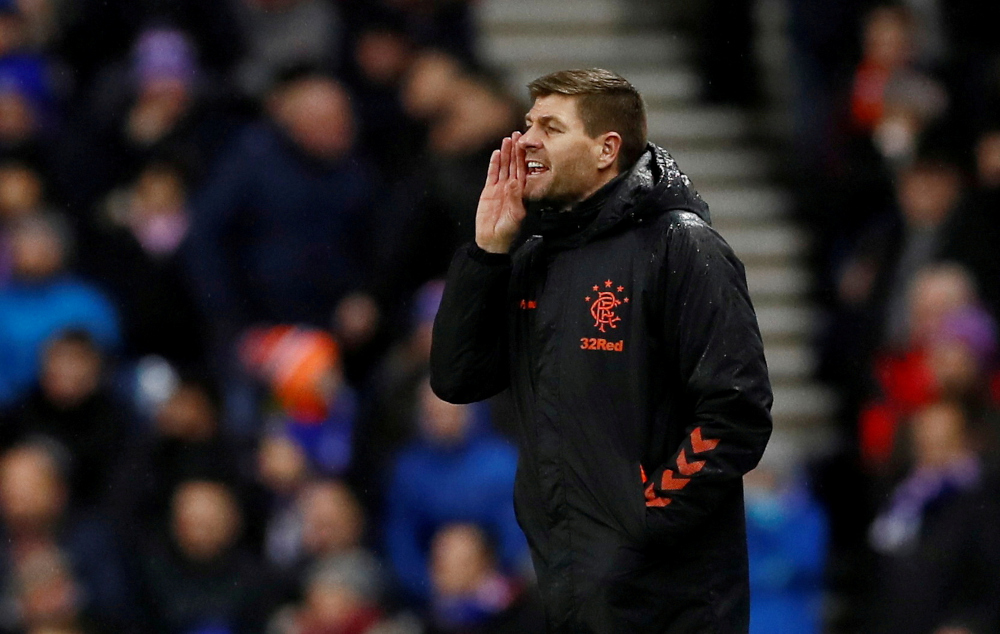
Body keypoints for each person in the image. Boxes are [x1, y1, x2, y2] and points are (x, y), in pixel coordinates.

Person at [430, 69, 773, 632]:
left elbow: (736, 414)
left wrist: (640, 521)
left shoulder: (681, 246)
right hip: (571, 585)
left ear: (605, 149)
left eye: (551, 127)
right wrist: (487, 253)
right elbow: (457, 378)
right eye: (527, 124)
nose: (527, 140)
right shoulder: (535, 254)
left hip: (670, 602)